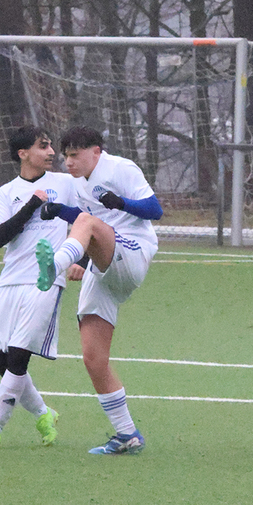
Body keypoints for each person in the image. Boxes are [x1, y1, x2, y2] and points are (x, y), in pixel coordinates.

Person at [37, 126, 163, 455]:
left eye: (74, 155)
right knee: (93, 358)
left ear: (96, 151)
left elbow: (155, 210)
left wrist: (121, 202)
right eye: (65, 156)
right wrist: (59, 211)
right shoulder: (79, 182)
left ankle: (56, 265)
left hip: (133, 250)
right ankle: (127, 435)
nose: (68, 162)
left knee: (89, 224)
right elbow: (85, 218)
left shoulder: (120, 168)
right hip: (103, 264)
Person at [0, 125, 82, 450]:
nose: (51, 152)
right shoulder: (6, 192)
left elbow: (85, 220)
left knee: (19, 356)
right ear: (23, 154)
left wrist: (82, 258)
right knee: (0, 359)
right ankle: (42, 413)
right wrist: (31, 205)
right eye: (42, 146)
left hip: (46, 280)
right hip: (10, 281)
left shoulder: (65, 184)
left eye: (50, 146)